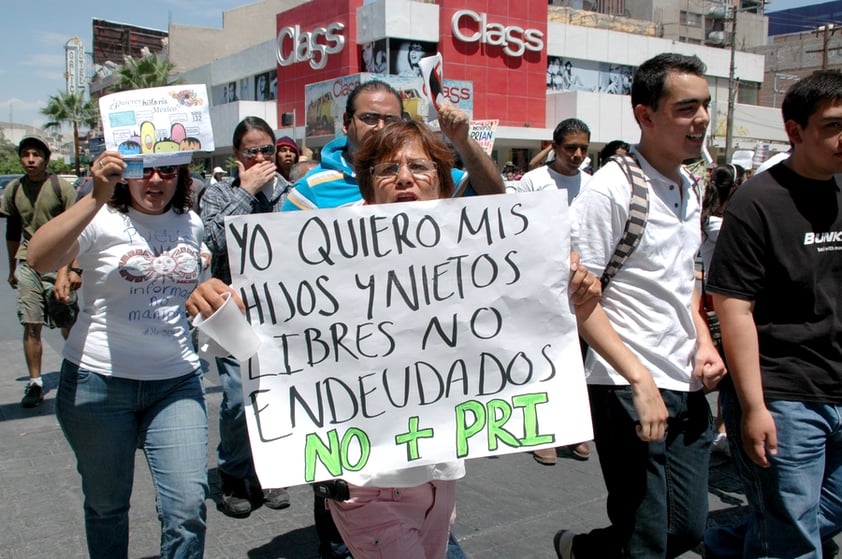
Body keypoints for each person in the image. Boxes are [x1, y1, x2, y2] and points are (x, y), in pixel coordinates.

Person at [554, 53, 726, 559]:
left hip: (685, 381)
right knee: (647, 538)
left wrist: (704, 339)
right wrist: (638, 379)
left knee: (687, 531)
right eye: (685, 108)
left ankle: (584, 552)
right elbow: (580, 298)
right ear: (645, 115)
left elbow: (681, 280)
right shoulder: (612, 188)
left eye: (705, 106)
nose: (700, 120)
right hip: (626, 383)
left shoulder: (690, 184)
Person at [26, 152, 208, 559]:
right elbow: (39, 258)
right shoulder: (101, 219)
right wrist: (94, 198)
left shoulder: (191, 224)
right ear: (125, 174)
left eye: (168, 170)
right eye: (144, 170)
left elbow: (186, 291)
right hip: (98, 386)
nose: (156, 180)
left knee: (188, 508)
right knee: (107, 507)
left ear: (181, 174)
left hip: (176, 383)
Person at [706, 69, 842, 559]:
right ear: (795, 130)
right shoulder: (758, 201)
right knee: (793, 538)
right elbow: (734, 306)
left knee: (817, 515)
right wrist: (755, 406)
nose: (841, 137)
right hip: (784, 394)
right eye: (832, 125)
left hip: (836, 383)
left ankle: (724, 545)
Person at [200, 116, 293, 517]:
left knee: (276, 395)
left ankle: (270, 472)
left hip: (281, 312)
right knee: (238, 399)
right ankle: (234, 473)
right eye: (250, 150)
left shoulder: (291, 192)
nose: (259, 157)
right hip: (233, 313)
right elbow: (213, 242)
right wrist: (247, 192)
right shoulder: (217, 194)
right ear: (237, 154)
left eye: (266, 149)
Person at [282, 79, 505, 213]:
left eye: (390, 120)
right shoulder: (311, 189)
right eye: (369, 118)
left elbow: (494, 196)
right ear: (347, 122)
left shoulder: (430, 177)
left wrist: (462, 141)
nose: (380, 127)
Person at [511, 117, 594, 464]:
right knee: (538, 359)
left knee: (573, 361)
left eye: (583, 149)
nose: (576, 155)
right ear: (554, 146)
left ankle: (572, 430)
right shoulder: (533, 182)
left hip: (580, 286)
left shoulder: (594, 185)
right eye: (570, 147)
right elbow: (513, 224)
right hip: (538, 284)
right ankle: (538, 430)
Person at [1, 135, 79, 407]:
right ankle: (35, 383)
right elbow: (12, 231)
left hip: (60, 262)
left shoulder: (61, 188)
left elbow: (78, 230)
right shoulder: (13, 190)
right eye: (25, 154)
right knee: (31, 323)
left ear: (46, 159)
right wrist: (12, 267)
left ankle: (77, 373)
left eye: (36, 154)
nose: (30, 159)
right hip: (28, 264)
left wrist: (73, 269)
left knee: (67, 322)